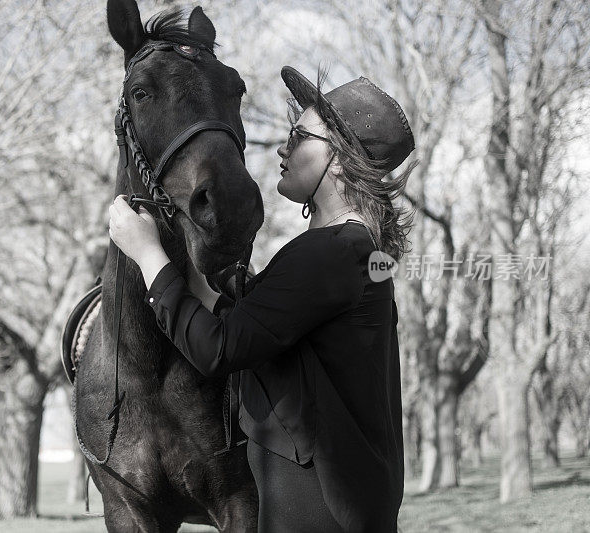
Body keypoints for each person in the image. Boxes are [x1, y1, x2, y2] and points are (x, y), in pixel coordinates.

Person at [108, 65, 416, 533]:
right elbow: (251, 327)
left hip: (316, 509)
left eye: (299, 136)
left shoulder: (330, 253)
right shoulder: (350, 249)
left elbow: (220, 347)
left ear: (340, 159)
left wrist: (148, 254)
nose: (282, 148)